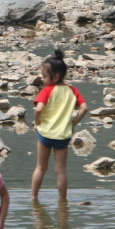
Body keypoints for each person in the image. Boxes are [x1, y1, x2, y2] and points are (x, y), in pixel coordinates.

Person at [30, 49, 87, 201]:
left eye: (44, 76)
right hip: (63, 136)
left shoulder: (47, 91)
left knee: (41, 167)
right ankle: (63, 201)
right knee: (60, 171)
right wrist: (73, 123)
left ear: (55, 77)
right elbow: (84, 108)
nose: (42, 79)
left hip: (45, 134)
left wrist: (37, 122)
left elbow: (39, 109)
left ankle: (34, 197)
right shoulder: (72, 91)